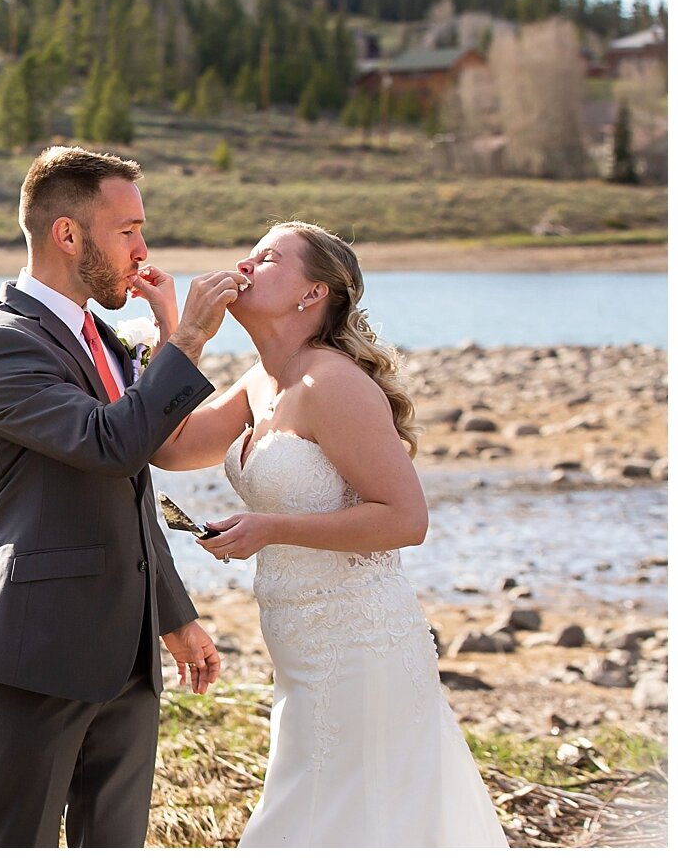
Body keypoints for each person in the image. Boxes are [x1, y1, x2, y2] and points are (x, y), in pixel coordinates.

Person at [151, 221, 508, 847]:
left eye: (266, 258)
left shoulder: (331, 382)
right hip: (302, 649)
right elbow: (168, 447)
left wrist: (273, 528)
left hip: (359, 646)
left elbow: (405, 518)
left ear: (311, 294)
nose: (244, 262)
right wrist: (176, 329)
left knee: (337, 816)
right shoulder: (261, 382)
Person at [0, 145, 241, 847]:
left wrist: (173, 615)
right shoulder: (1, 347)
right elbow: (110, 440)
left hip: (128, 652)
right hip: (40, 645)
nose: (144, 249)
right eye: (128, 230)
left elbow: (130, 483)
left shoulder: (101, 337)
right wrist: (192, 336)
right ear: (68, 234)